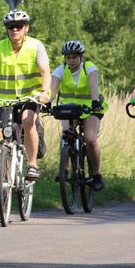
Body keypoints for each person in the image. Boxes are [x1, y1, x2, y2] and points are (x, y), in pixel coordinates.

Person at [0, 9, 51, 191]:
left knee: (27, 120)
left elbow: (45, 71)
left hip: (30, 97)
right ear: (6, 29)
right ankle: (3, 183)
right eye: (10, 27)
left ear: (26, 28)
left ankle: (32, 165)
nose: (14, 29)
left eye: (19, 26)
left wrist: (45, 92)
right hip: (6, 101)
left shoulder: (35, 46)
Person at [50, 40, 107, 191]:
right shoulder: (60, 70)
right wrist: (47, 102)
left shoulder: (89, 68)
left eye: (74, 57)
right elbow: (52, 89)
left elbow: (94, 85)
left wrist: (95, 101)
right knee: (67, 134)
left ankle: (96, 175)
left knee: (90, 138)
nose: (71, 61)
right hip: (69, 110)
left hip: (90, 108)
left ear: (81, 57)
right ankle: (65, 170)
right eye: (68, 58)